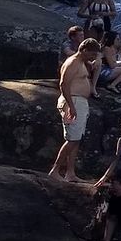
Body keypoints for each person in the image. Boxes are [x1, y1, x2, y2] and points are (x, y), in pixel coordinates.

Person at [49, 38, 100, 182]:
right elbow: (63, 84)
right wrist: (71, 106)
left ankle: (70, 173)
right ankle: (55, 170)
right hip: (73, 101)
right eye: (92, 54)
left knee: (76, 138)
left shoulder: (81, 63)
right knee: (72, 138)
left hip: (79, 102)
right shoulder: (73, 62)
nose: (93, 57)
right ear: (84, 50)